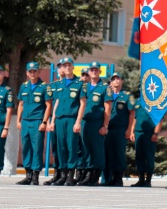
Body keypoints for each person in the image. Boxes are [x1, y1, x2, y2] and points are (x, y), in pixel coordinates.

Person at [47, 58, 87, 186]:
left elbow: (82, 104)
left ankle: (70, 176)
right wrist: (52, 121)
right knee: (61, 148)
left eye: (69, 65)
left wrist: (78, 122)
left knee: (71, 147)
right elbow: (56, 103)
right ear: (62, 69)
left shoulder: (79, 84)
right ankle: (62, 175)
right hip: (59, 119)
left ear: (73, 67)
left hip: (71, 119)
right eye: (65, 65)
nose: (67, 67)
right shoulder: (59, 84)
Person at [15, 62, 52, 185]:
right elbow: (21, 104)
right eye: (30, 71)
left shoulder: (44, 87)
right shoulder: (24, 86)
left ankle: (35, 176)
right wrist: (18, 120)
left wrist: (44, 122)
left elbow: (48, 106)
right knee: (26, 147)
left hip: (37, 121)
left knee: (36, 148)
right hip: (25, 121)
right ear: (27, 73)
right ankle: (28, 175)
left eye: (34, 71)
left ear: (38, 72)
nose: (32, 73)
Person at [78, 62, 112, 186]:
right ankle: (88, 172)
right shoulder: (85, 87)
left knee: (97, 149)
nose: (93, 72)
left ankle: (95, 175)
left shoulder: (104, 87)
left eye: (96, 70)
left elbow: (108, 109)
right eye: (91, 70)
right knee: (86, 148)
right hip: (85, 122)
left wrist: (105, 125)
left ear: (99, 72)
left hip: (97, 122)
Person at [127, 91, 159, 187]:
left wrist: (155, 133)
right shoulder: (137, 101)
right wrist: (132, 131)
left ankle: (148, 180)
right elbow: (135, 118)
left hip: (149, 133)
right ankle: (141, 179)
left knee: (149, 156)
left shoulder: (154, 102)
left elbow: (158, 119)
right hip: (138, 132)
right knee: (139, 156)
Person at [104, 72, 130, 187]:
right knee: (108, 153)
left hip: (120, 129)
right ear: (110, 82)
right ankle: (108, 178)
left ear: (122, 81)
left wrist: (129, 129)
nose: (116, 81)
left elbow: (132, 113)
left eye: (118, 79)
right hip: (107, 128)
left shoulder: (128, 95)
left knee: (119, 153)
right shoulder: (106, 95)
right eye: (113, 79)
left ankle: (118, 178)